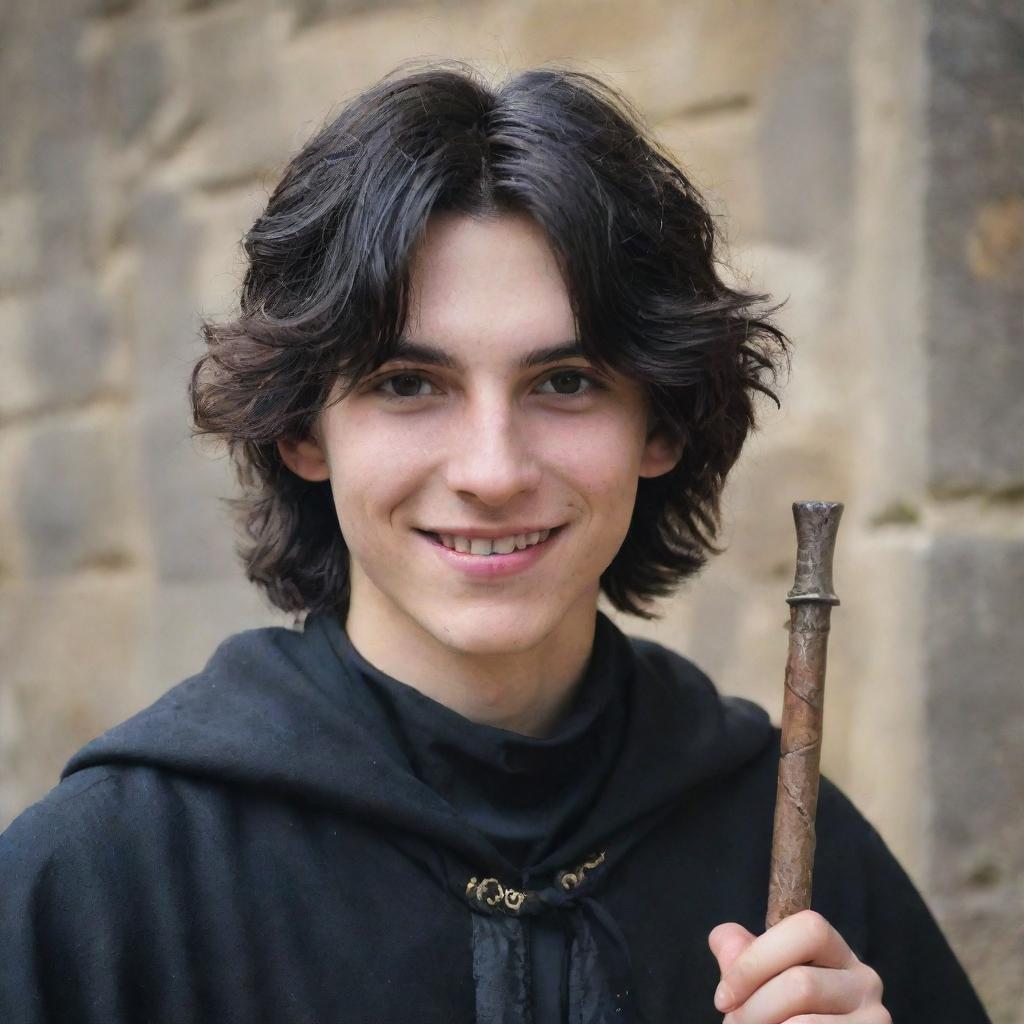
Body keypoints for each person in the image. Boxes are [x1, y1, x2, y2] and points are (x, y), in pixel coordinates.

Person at [0, 63, 990, 1024]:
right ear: (303, 430)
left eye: (564, 381)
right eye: (406, 383)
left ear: (660, 427)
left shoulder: (786, 842)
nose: (492, 469)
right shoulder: (102, 880)